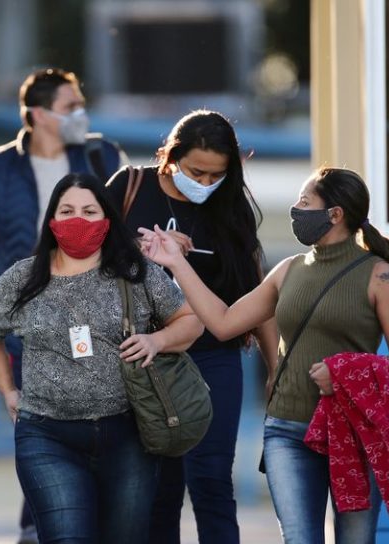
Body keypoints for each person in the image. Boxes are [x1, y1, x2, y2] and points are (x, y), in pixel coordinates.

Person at [140, 167, 389, 544]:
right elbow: (224, 323)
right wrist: (176, 262)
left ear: (334, 214)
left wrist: (345, 372)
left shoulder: (380, 277)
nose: (296, 209)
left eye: (305, 202)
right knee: (299, 539)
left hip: (353, 430)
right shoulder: (288, 270)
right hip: (286, 431)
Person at [0, 173, 203, 544]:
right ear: (51, 220)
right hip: (46, 435)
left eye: (88, 210)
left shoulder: (134, 271)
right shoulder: (24, 276)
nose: (77, 220)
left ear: (107, 220)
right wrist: (7, 390)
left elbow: (191, 320)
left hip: (128, 433)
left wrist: (156, 340)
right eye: (66, 211)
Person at [0, 67, 125, 542]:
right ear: (38, 114)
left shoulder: (104, 155)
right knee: (41, 430)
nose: (80, 113)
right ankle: (40, 529)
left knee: (106, 430)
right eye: (71, 106)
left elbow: (128, 235)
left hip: (104, 321)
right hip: (28, 326)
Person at [105, 109, 278, 544]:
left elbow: (255, 291)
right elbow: (83, 257)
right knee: (159, 487)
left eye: (215, 176)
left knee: (213, 480)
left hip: (213, 353)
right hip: (145, 355)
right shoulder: (129, 187)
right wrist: (141, 248)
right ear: (169, 156)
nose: (204, 184)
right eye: (195, 172)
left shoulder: (230, 204)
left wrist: (276, 365)